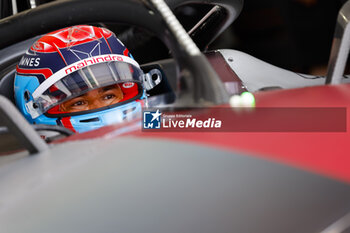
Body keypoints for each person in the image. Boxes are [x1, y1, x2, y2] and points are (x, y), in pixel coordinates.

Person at [14, 25, 161, 134]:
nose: (98, 107)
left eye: (109, 96)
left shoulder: (166, 127)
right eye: (79, 102)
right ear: (32, 109)